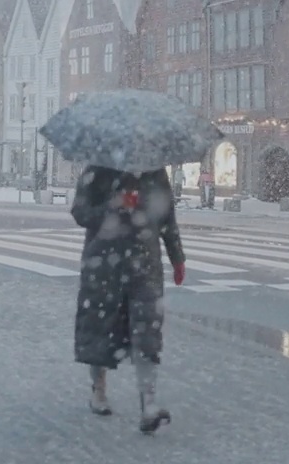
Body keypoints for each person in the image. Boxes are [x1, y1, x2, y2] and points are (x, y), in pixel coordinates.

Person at [71, 164, 186, 434]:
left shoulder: (154, 170)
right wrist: (115, 205)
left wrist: (177, 255)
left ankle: (149, 404)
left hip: (144, 263)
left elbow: (167, 215)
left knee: (147, 329)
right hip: (103, 264)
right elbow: (80, 212)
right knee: (100, 327)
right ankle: (98, 390)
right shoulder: (98, 168)